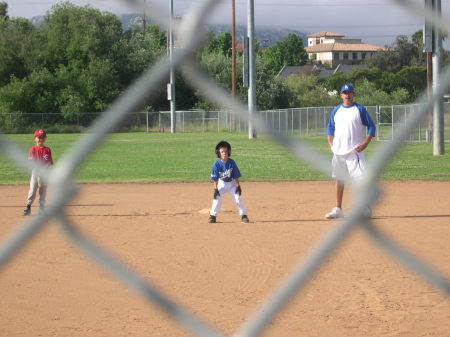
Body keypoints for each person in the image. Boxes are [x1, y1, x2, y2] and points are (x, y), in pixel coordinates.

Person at [325, 84, 376, 219]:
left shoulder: (359, 109)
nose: (347, 95)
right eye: (344, 92)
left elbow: (371, 126)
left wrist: (366, 142)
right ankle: (338, 209)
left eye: (350, 92)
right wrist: (331, 144)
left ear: (354, 95)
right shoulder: (336, 110)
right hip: (338, 152)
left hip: (355, 151)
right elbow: (330, 129)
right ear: (341, 95)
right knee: (339, 179)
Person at [208, 140, 250, 223]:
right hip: (221, 183)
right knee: (217, 198)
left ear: (229, 152)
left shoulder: (232, 162)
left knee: (237, 198)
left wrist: (238, 186)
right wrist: (215, 189)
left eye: (226, 151)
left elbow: (236, 175)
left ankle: (243, 215)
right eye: (222, 152)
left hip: (231, 183)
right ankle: (213, 216)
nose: (224, 153)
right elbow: (215, 178)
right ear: (219, 153)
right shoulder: (216, 164)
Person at [23, 129, 54, 216]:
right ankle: (28, 206)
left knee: (43, 191)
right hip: (35, 173)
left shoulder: (47, 149)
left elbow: (49, 162)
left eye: (43, 137)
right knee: (32, 190)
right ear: (35, 138)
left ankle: (42, 207)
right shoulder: (32, 149)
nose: (41, 139)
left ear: (45, 138)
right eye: (39, 137)